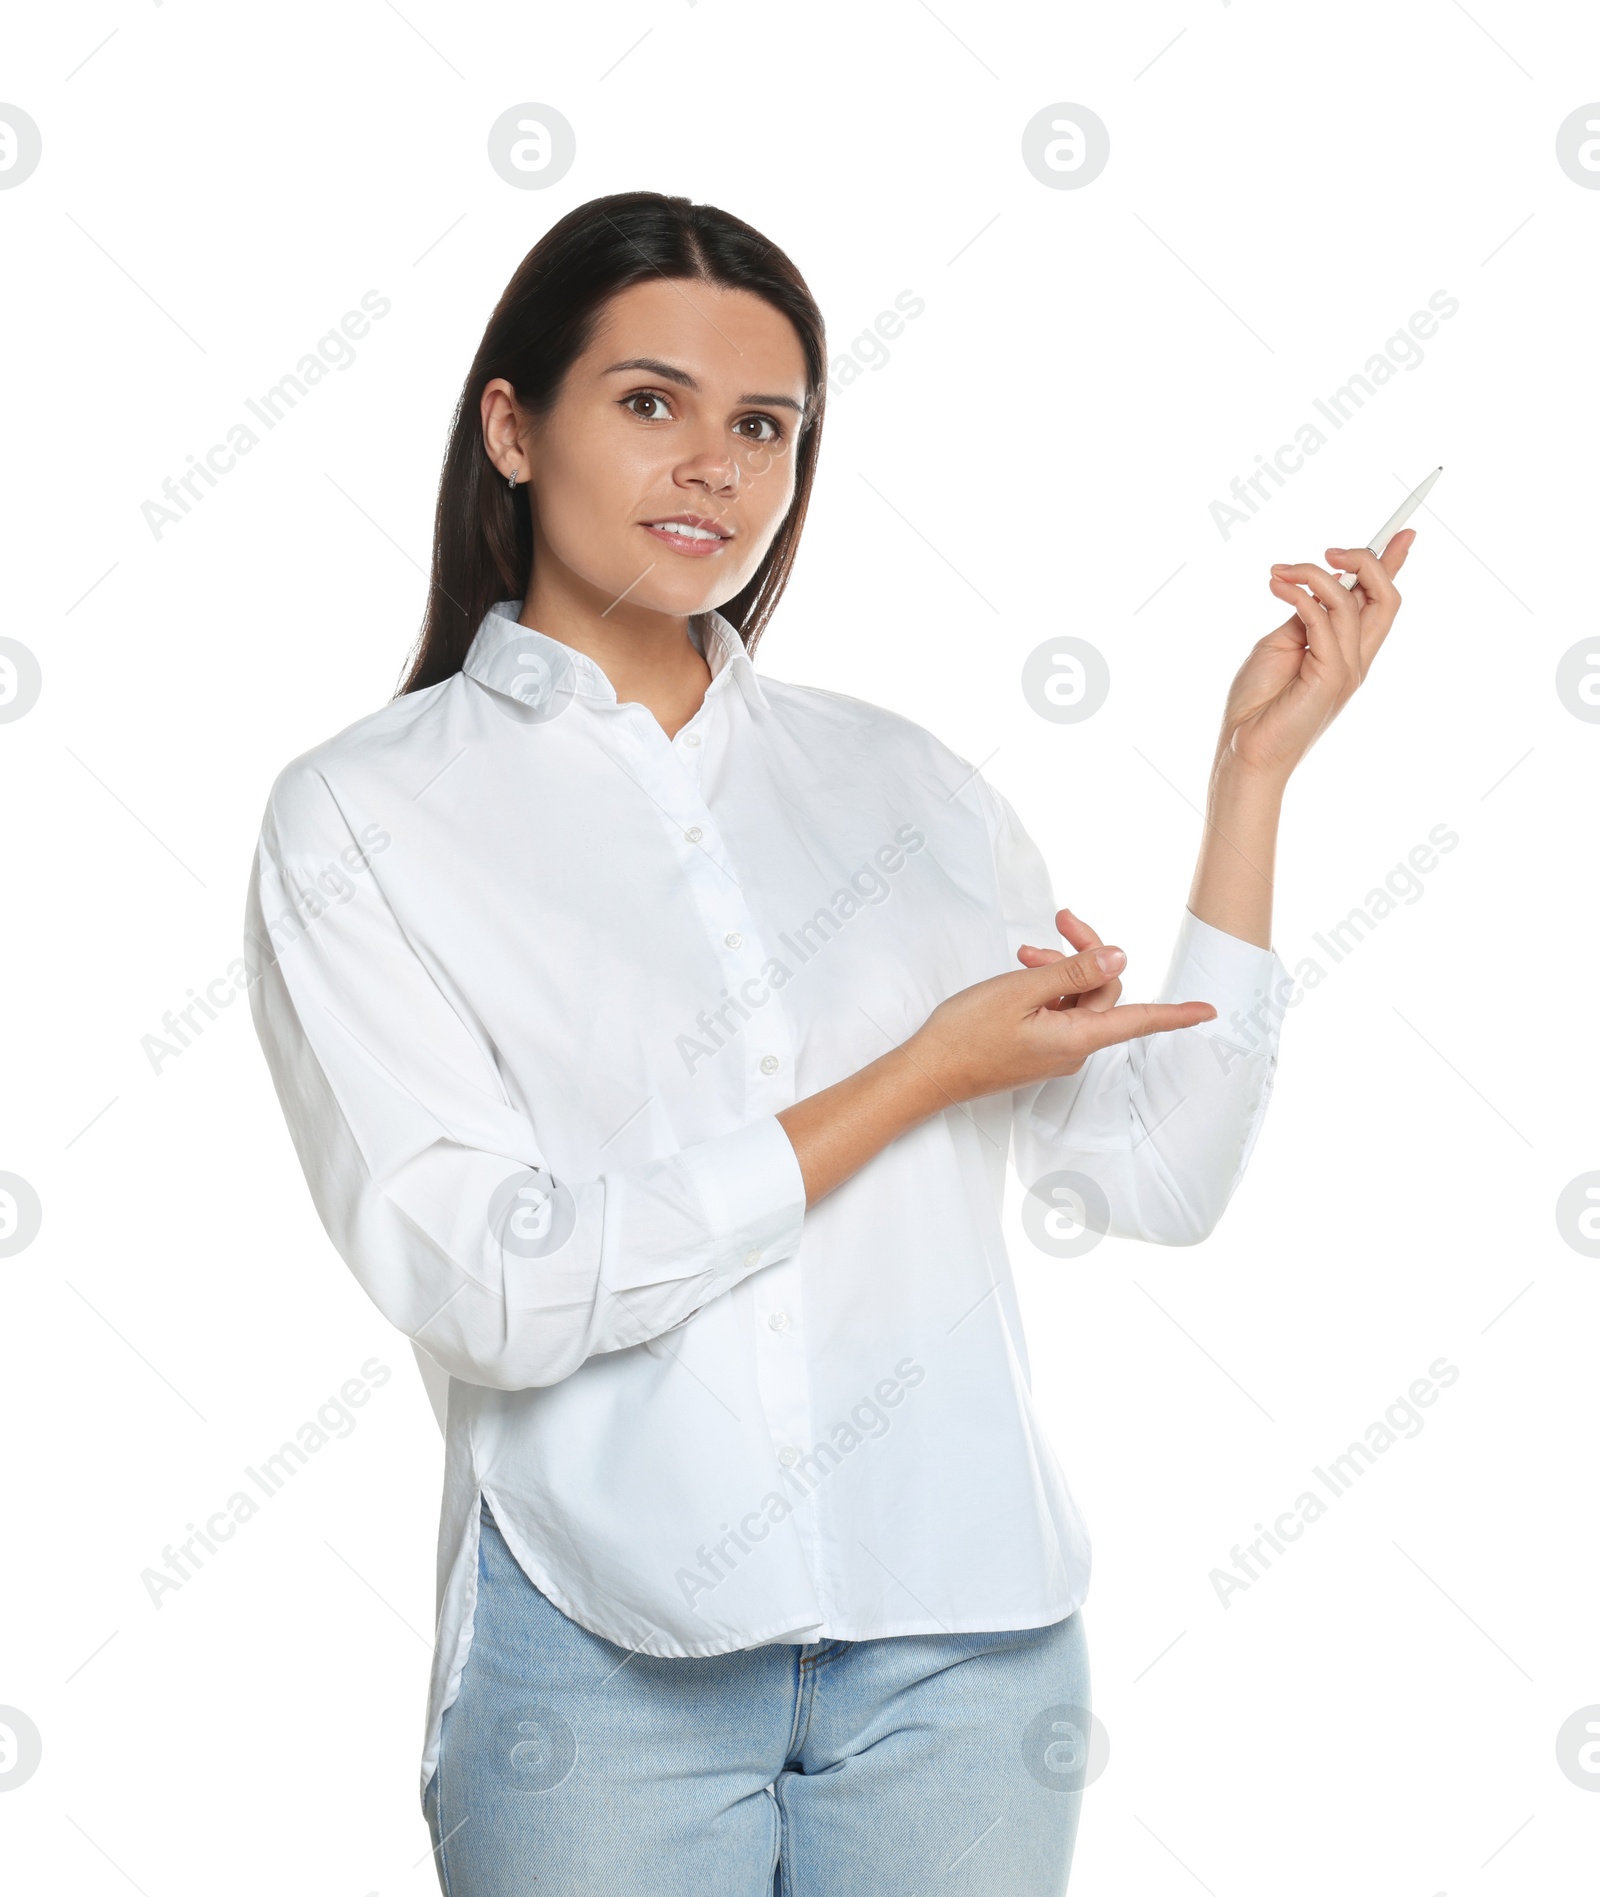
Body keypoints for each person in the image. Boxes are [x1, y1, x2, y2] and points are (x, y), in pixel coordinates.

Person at [244, 190, 1413, 1895]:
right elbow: (493, 1286)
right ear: (512, 424)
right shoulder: (365, 818)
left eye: (763, 424)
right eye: (650, 403)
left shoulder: (911, 788)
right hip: (603, 1647)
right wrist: (912, 1077)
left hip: (972, 1653)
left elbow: (1156, 1172)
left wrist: (1253, 781)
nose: (713, 465)